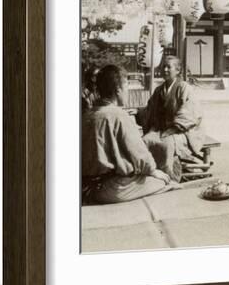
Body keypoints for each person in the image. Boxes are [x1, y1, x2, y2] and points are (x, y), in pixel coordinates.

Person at [81, 64, 174, 204]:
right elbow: (139, 153)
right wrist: (153, 171)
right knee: (165, 182)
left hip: (85, 185)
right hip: (112, 188)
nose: (127, 92)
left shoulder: (87, 114)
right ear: (118, 90)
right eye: (126, 88)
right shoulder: (118, 115)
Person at [142, 56, 204, 182]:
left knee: (166, 144)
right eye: (163, 66)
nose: (165, 69)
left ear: (178, 70)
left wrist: (172, 129)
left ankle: (169, 177)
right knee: (145, 140)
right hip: (161, 129)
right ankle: (150, 172)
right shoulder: (159, 90)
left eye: (168, 67)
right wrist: (139, 113)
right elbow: (150, 110)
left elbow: (190, 112)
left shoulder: (184, 87)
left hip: (183, 131)